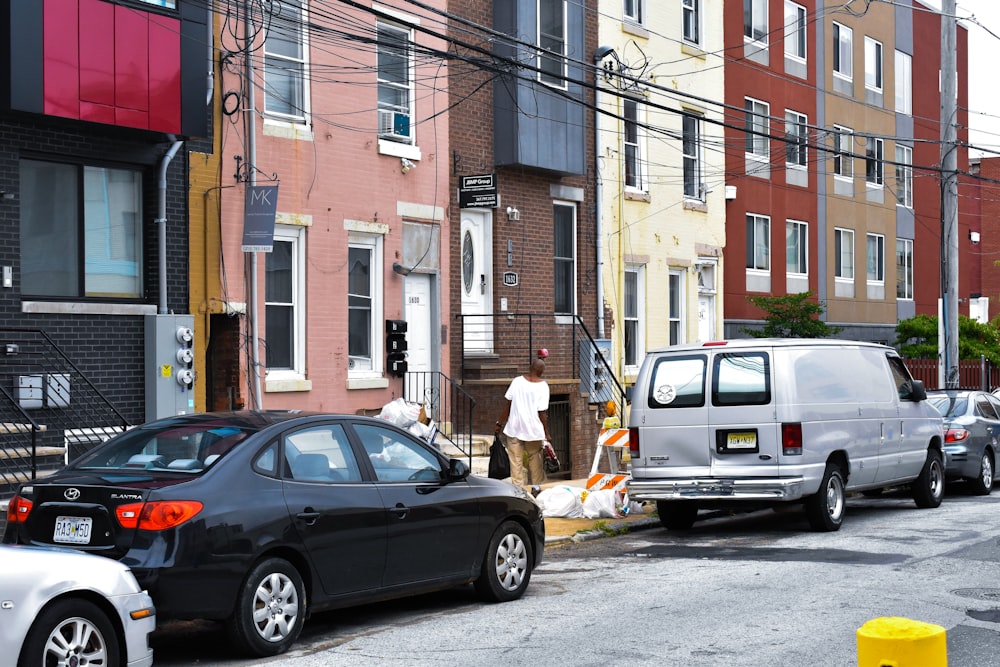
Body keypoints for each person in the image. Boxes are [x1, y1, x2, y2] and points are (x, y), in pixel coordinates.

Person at [496, 358, 551, 488]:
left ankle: (518, 489)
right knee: (535, 459)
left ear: (530, 368)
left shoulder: (516, 382)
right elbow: (542, 413)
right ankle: (536, 487)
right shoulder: (543, 386)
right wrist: (546, 433)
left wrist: (499, 423)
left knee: (516, 461)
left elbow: (508, 405)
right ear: (542, 371)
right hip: (533, 431)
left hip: (514, 428)